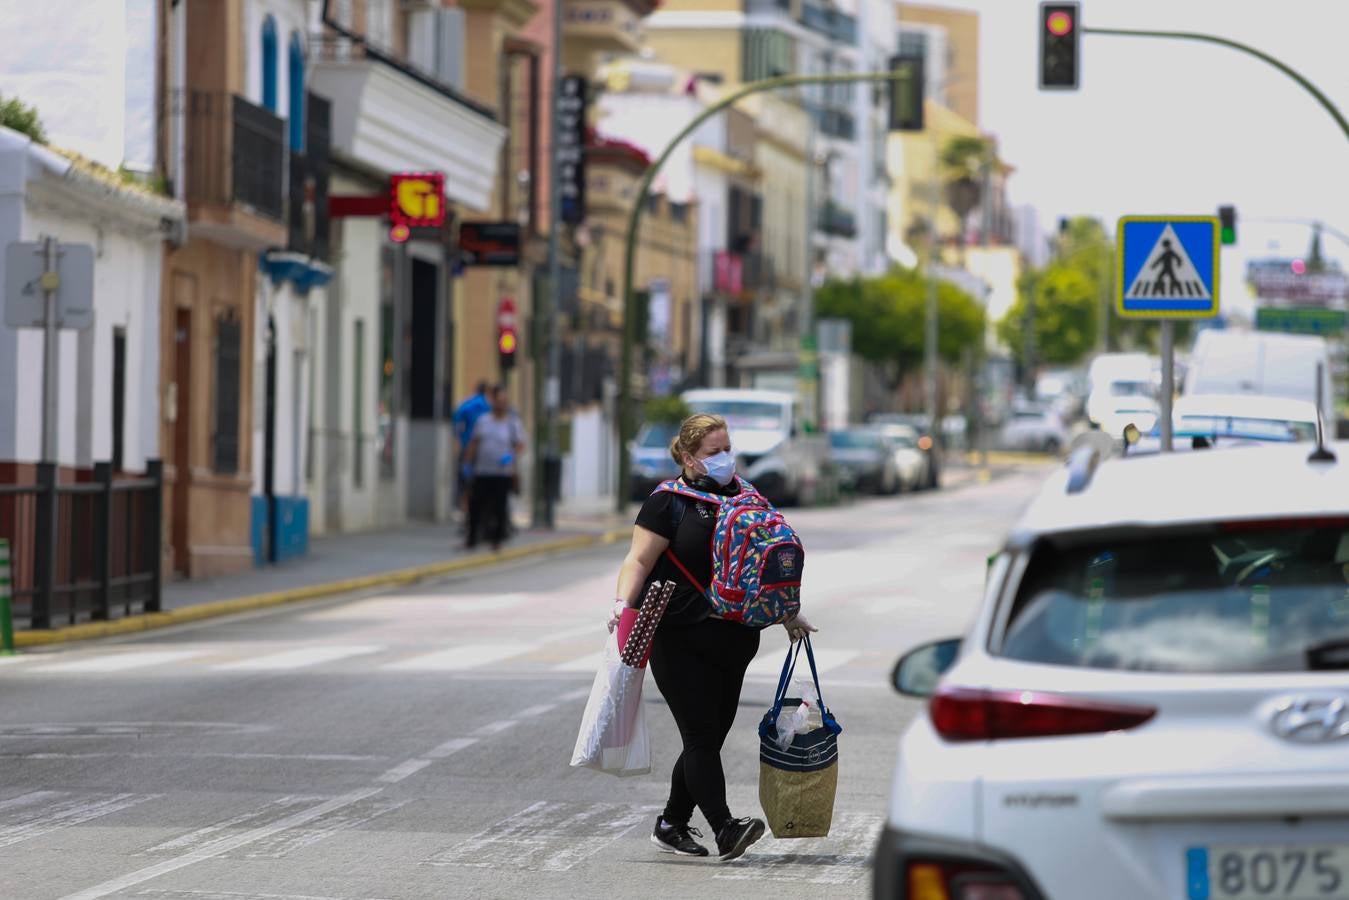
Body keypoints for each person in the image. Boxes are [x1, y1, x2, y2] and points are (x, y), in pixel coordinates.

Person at [607, 412, 816, 862]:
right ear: (686, 456)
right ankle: (725, 827)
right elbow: (639, 561)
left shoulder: (750, 497)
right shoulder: (668, 503)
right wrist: (623, 605)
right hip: (678, 636)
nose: (724, 458)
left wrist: (788, 614)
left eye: (727, 448)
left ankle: (670, 823)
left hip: (735, 638)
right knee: (700, 735)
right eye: (712, 452)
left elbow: (760, 568)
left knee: (708, 739)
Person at [463, 386, 525, 551]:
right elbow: (474, 443)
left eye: (504, 402)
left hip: (503, 473)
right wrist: (467, 463)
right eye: (499, 401)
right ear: (493, 402)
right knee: (476, 506)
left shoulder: (512, 423)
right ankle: (471, 539)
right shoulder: (483, 421)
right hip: (482, 471)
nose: (501, 405)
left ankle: (497, 539)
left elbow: (520, 445)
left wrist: (511, 457)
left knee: (500, 507)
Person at [452, 381, 491, 520]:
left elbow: (456, 418)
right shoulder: (487, 406)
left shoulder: (468, 404)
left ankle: (465, 511)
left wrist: (460, 437)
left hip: (467, 447)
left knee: (466, 482)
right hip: (483, 450)